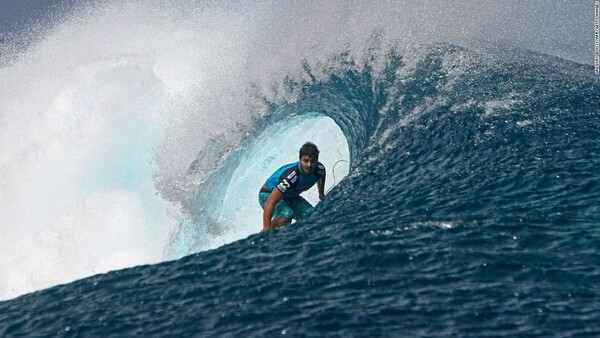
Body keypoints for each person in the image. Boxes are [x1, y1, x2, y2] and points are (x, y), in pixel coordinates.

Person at [259, 142, 326, 232]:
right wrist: (266, 228)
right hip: (268, 194)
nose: (309, 165)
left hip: (289, 196)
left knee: (312, 216)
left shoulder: (320, 169)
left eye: (312, 161)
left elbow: (321, 176)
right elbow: (270, 202)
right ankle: (265, 236)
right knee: (286, 215)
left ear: (317, 160)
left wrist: (321, 194)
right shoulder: (292, 177)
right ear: (300, 160)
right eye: (305, 161)